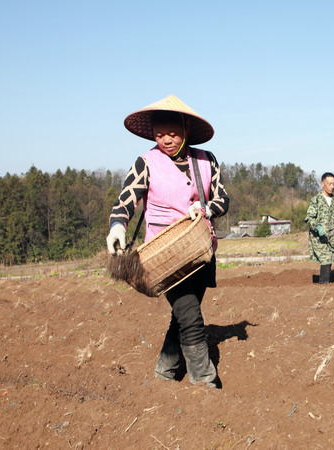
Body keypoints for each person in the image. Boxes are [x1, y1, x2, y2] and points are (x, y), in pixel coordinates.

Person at [106, 95, 229, 388]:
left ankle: (165, 372)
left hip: (199, 250)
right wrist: (117, 227)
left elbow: (222, 198)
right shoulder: (146, 162)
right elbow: (126, 200)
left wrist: (206, 208)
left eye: (172, 133)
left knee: (182, 317)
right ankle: (204, 381)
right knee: (191, 317)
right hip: (164, 256)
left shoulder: (206, 159)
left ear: (186, 130)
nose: (166, 140)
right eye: (159, 134)